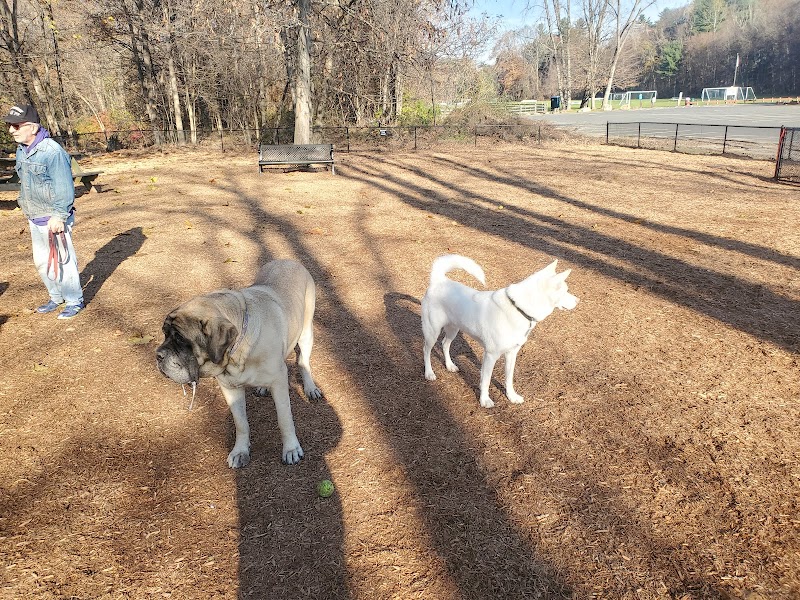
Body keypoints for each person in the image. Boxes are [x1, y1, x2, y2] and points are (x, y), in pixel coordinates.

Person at [3, 103, 84, 319]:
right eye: (10, 126)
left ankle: (74, 300)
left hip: (53, 218)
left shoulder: (52, 152)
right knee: (41, 261)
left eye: (16, 126)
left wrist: (59, 216)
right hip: (34, 216)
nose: (11, 130)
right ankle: (56, 297)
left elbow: (64, 187)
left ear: (33, 127)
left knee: (63, 261)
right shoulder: (22, 150)